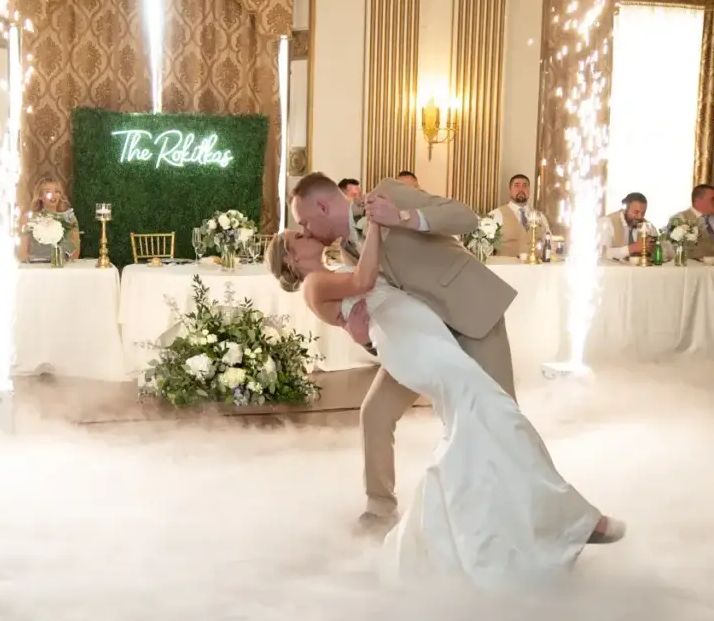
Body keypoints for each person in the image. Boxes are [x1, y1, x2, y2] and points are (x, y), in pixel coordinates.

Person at [266, 222, 625, 588]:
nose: (309, 233)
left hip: (424, 330)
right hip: (408, 342)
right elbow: (364, 281)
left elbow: (374, 296)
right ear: (293, 258)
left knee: (480, 417)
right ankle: (571, 519)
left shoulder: (336, 264)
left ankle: (476, 527)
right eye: (299, 236)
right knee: (490, 410)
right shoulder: (314, 285)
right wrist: (374, 224)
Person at [288, 172, 517, 534]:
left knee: (502, 417)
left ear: (322, 206)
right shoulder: (346, 252)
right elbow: (378, 307)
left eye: (304, 222)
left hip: (470, 315)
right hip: (421, 339)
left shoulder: (390, 194)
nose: (306, 231)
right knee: (375, 413)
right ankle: (380, 510)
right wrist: (363, 338)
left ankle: (541, 512)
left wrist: (405, 219)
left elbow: (467, 218)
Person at [20, 177, 80, 262]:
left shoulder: (69, 219)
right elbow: (23, 251)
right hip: (35, 268)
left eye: (56, 191)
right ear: (40, 196)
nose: (53, 195)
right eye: (48, 192)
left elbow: (75, 250)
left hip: (62, 268)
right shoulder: (29, 219)